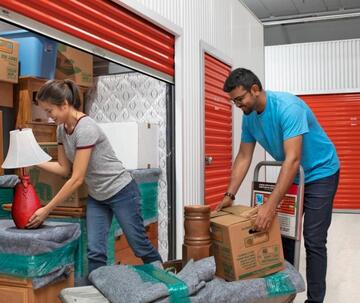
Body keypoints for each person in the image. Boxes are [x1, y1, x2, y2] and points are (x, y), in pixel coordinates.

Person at [216, 68, 339, 303]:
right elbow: (243, 156)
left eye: (240, 99)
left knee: (313, 238)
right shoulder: (249, 116)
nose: (237, 105)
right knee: (281, 234)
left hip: (321, 172)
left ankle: (314, 300)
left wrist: (270, 205)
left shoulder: (288, 107)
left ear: (255, 89)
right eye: (233, 101)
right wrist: (229, 194)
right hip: (293, 174)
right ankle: (283, 293)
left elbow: (292, 159)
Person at [26, 79, 162, 274]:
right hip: (98, 197)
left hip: (122, 191)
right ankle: (97, 294)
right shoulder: (61, 130)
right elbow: (64, 168)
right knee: (95, 252)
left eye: (50, 111)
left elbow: (77, 178)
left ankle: (168, 282)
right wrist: (34, 160)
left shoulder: (86, 128)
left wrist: (46, 210)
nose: (48, 117)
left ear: (64, 104)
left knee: (139, 245)